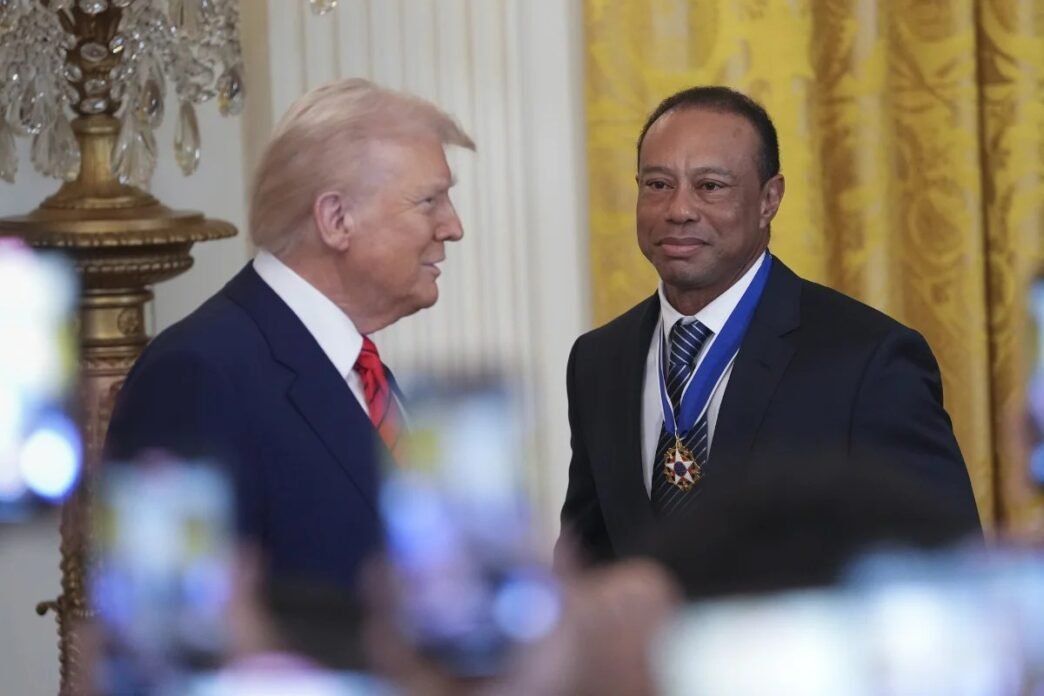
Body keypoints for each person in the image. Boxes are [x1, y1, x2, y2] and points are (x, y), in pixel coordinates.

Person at [558, 85, 981, 567]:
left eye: (710, 186)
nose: (678, 210)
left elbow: (948, 566)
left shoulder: (870, 360)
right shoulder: (598, 360)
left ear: (769, 199)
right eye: (657, 184)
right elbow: (587, 559)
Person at [105, 78, 475, 588]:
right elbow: (168, 614)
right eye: (429, 201)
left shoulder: (362, 371)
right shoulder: (193, 375)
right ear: (336, 219)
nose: (453, 226)